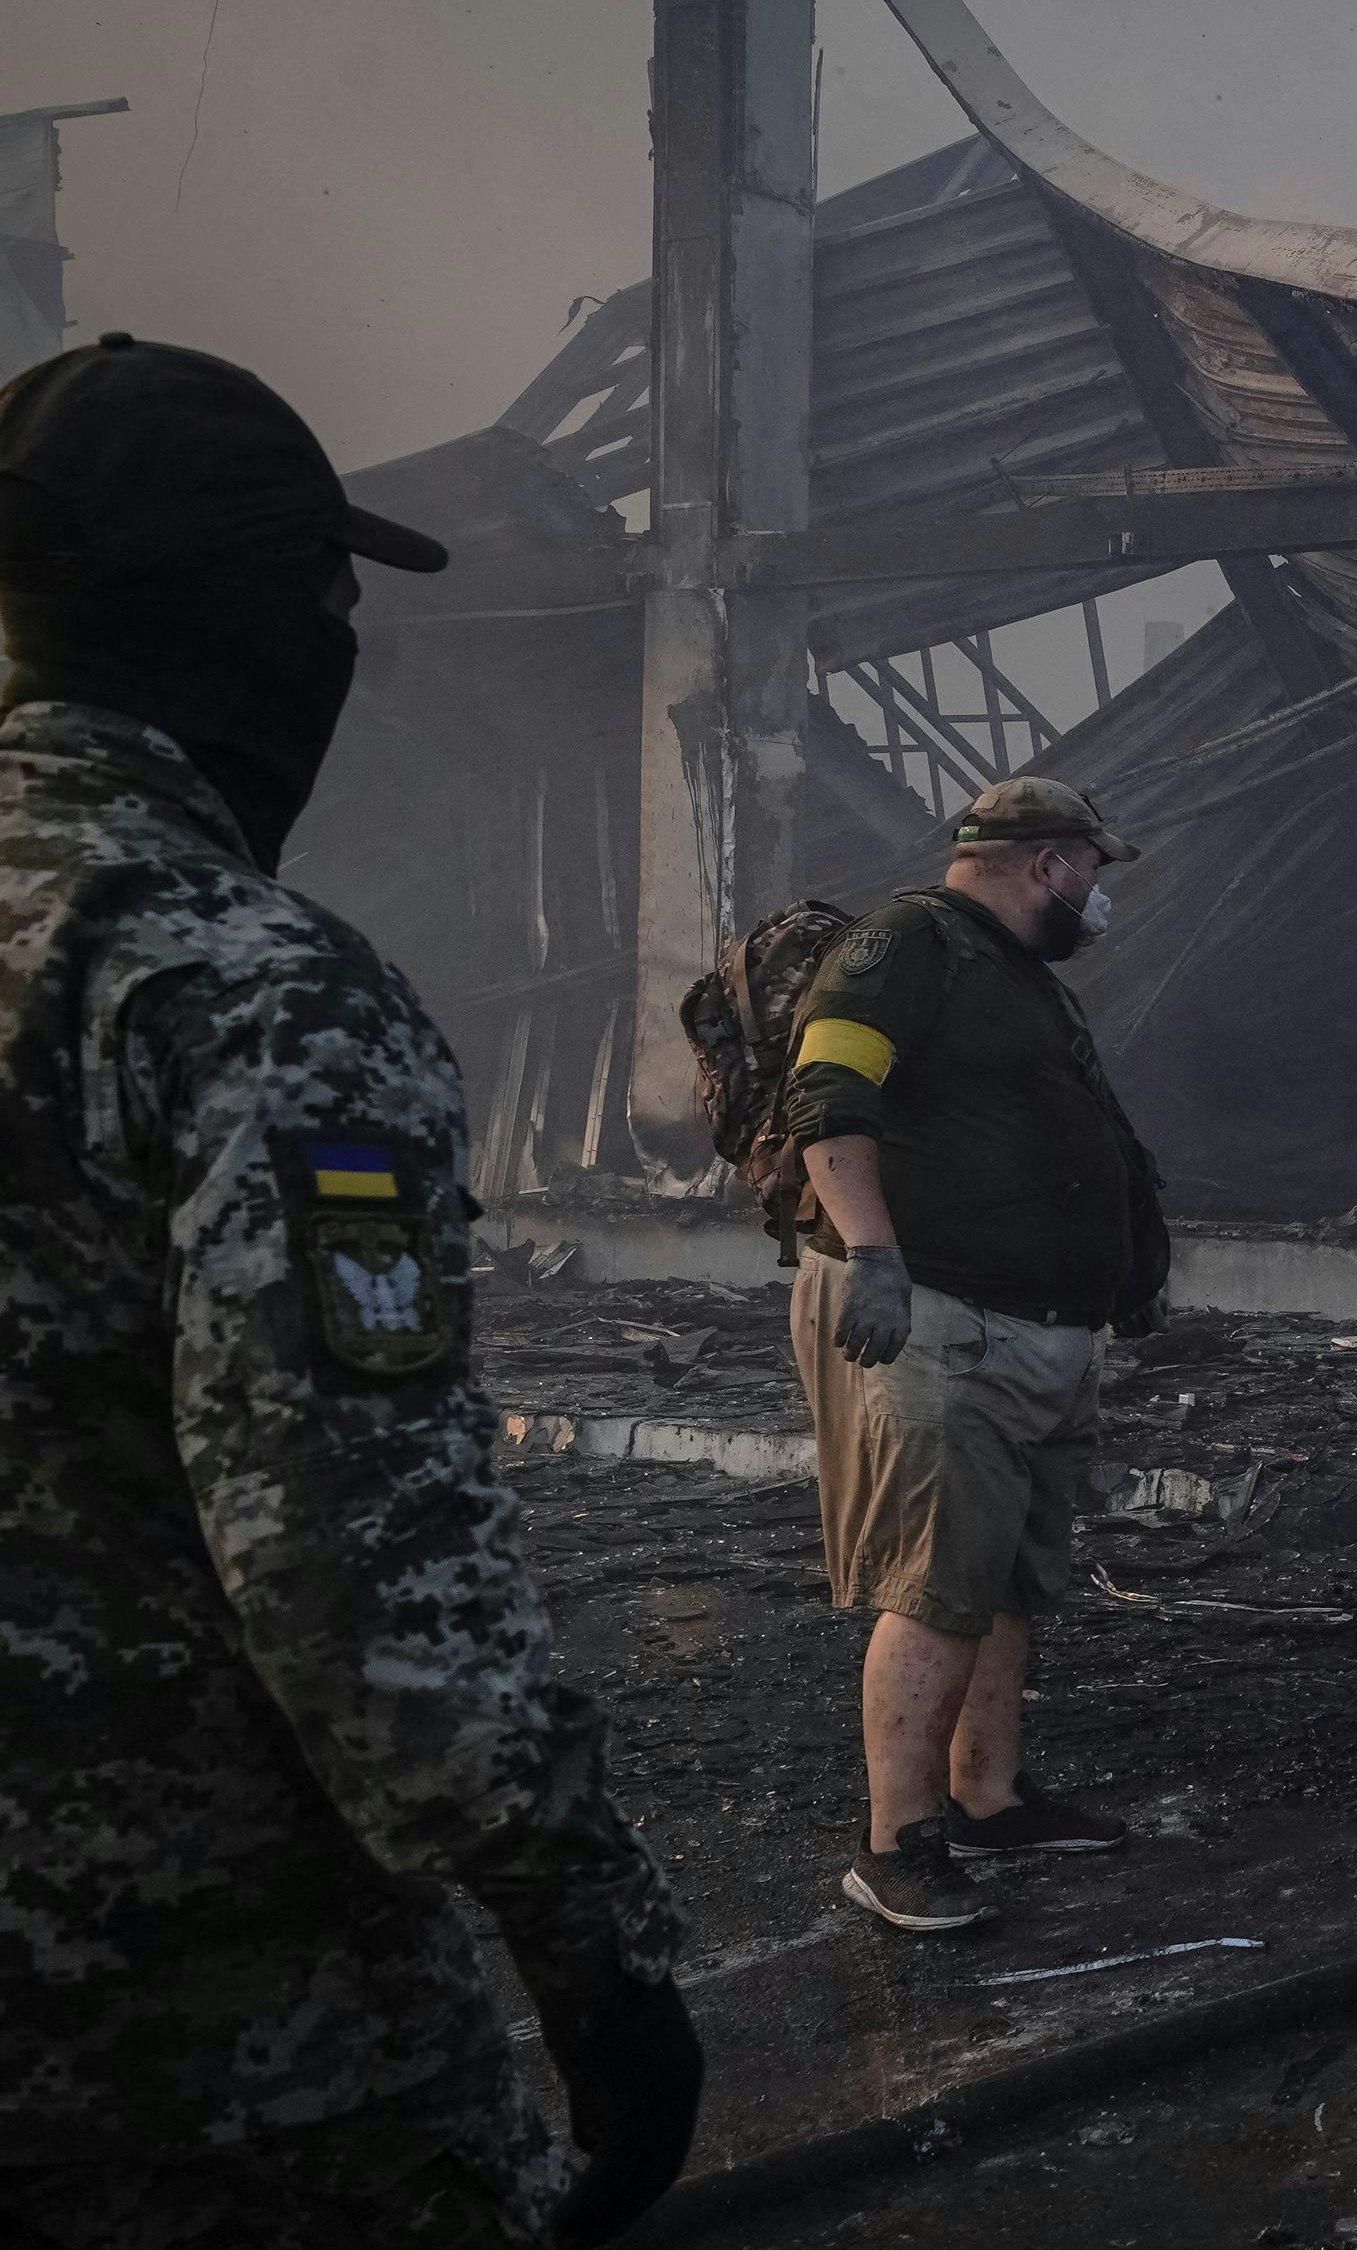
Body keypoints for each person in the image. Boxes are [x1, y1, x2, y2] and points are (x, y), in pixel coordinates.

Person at [0, 337, 697, 2245]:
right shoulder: (242, 986)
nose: (344, 645)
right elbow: (358, 1561)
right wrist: (603, 1969)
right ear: (236, 611)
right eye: (329, 590)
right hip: (196, 2040)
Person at [784, 773, 1170, 1931]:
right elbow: (826, 1090)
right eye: (1094, 869)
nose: (1099, 896)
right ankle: (894, 1842)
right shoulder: (905, 944)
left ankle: (988, 1796)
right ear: (1049, 861)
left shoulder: (1013, 977)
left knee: (1004, 1580)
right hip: (944, 1318)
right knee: (939, 1584)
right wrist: (875, 1256)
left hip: (1037, 1325)